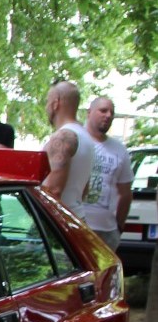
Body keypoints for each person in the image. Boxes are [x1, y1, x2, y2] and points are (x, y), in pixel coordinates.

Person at [74, 96, 133, 250]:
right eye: (103, 110)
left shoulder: (119, 150)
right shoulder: (74, 140)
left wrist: (118, 226)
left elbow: (125, 193)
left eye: (111, 113)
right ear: (89, 112)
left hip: (106, 232)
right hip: (75, 226)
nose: (108, 115)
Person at [41, 81, 96, 212]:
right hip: (76, 217)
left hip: (56, 221)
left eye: (47, 101)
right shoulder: (86, 136)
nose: (46, 107)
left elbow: (54, 190)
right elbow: (85, 189)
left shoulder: (63, 136)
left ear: (56, 103)